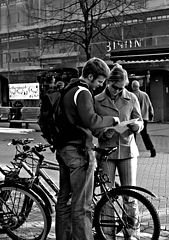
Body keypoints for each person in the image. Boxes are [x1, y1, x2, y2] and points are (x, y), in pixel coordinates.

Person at [55, 57, 120, 240]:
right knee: (82, 205)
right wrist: (113, 120)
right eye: (99, 81)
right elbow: (91, 120)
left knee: (64, 202)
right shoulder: (82, 92)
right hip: (79, 152)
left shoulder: (68, 89)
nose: (100, 86)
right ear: (90, 76)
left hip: (64, 150)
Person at [93, 63, 143, 239]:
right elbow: (94, 124)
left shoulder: (131, 98)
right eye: (115, 87)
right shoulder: (97, 99)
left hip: (128, 150)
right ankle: (108, 233)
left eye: (122, 88)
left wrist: (137, 126)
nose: (118, 91)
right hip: (106, 151)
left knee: (130, 194)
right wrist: (102, 132)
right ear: (108, 82)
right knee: (107, 195)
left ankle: (132, 231)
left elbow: (139, 119)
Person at [131, 80, 156, 157]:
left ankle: (132, 150)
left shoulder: (132, 95)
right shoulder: (145, 95)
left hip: (135, 119)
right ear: (138, 86)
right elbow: (150, 105)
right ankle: (152, 149)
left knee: (133, 134)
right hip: (144, 118)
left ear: (133, 87)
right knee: (144, 134)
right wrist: (151, 114)